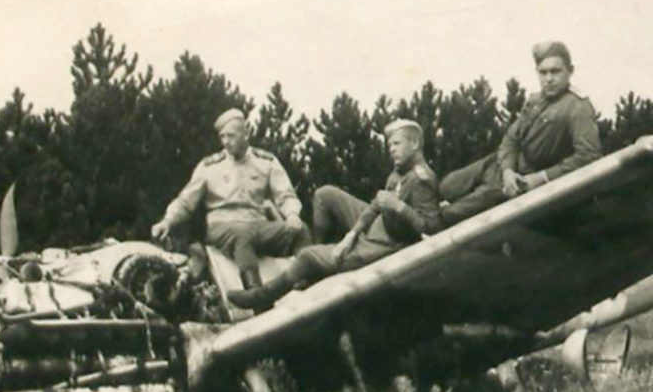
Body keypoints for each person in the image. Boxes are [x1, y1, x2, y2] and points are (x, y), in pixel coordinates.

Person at [228, 119, 442, 311]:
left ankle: (263, 297)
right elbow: (376, 205)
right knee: (324, 194)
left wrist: (399, 207)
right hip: (379, 224)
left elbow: (433, 227)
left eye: (397, 144)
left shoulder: (421, 179)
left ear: (414, 144)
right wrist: (351, 235)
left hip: (389, 242)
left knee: (306, 257)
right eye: (390, 145)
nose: (391, 150)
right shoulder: (400, 171)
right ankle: (319, 259)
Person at [439, 41, 601, 226]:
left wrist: (541, 178)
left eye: (555, 71)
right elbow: (511, 140)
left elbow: (588, 156)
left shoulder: (577, 107)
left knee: (451, 215)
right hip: (501, 166)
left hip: (523, 180)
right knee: (446, 187)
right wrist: (507, 170)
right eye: (543, 72)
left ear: (570, 71)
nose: (549, 78)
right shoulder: (535, 101)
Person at [151, 108, 312, 288]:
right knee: (243, 235)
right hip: (222, 227)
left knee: (301, 231)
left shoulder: (266, 161)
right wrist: (168, 221)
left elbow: (286, 195)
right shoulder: (209, 166)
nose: (226, 142)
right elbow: (186, 201)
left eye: (231, 136)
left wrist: (292, 215)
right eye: (222, 137)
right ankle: (256, 295)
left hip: (258, 225)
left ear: (246, 134)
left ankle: (307, 281)